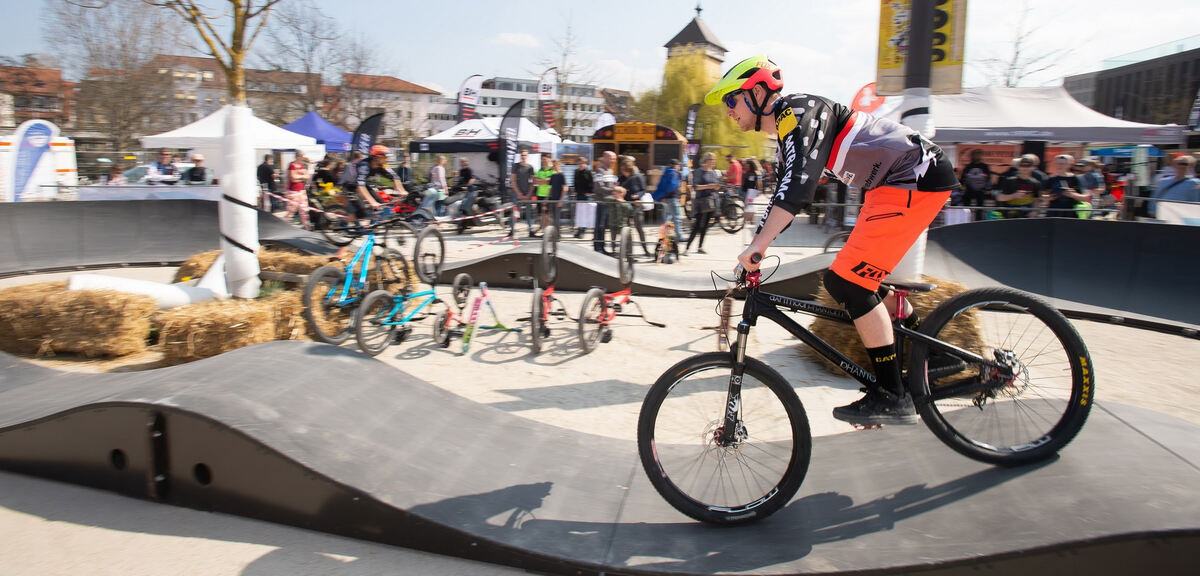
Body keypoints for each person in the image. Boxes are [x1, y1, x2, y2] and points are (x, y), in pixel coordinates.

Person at [711, 55, 959, 426]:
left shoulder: (796, 112)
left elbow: (799, 187)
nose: (728, 110)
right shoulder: (786, 130)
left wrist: (758, 247)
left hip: (913, 178)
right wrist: (758, 245)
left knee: (846, 282)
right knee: (858, 280)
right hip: (890, 185)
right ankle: (934, 353)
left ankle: (892, 395)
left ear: (759, 92)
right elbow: (783, 194)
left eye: (731, 100)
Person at [684, 152, 720, 255]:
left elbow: (715, 186)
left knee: (705, 226)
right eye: (711, 160)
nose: (712, 162)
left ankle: (700, 247)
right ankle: (687, 247)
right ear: (705, 160)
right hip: (700, 201)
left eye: (713, 160)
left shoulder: (713, 172)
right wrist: (710, 186)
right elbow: (696, 187)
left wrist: (717, 187)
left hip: (710, 201)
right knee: (697, 225)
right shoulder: (699, 172)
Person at [617, 156, 652, 256]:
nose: (623, 172)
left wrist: (638, 195)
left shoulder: (638, 177)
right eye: (622, 170)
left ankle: (645, 250)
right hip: (625, 206)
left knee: (639, 228)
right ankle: (628, 252)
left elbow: (643, 189)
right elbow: (618, 189)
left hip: (636, 205)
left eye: (625, 170)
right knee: (626, 230)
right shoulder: (620, 178)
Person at [1043, 154, 1089, 218]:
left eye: (1063, 164)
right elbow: (1043, 196)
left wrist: (1072, 194)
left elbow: (1086, 197)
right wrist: (1048, 197)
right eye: (1058, 163)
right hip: (1053, 213)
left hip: (1071, 213)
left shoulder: (1076, 178)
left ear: (1069, 165)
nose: (1060, 166)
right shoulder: (1051, 179)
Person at [653, 158, 685, 247]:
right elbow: (673, 185)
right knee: (677, 217)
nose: (679, 168)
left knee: (666, 218)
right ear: (676, 166)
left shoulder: (665, 172)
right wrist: (668, 193)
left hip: (665, 199)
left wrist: (662, 196)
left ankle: (665, 236)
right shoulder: (674, 173)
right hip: (672, 198)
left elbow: (660, 185)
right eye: (679, 166)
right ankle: (679, 236)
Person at [591, 151, 618, 253]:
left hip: (609, 203)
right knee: (600, 225)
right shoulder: (599, 171)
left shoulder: (610, 171)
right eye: (611, 158)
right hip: (601, 202)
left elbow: (611, 185)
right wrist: (613, 191)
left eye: (614, 159)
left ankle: (602, 247)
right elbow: (598, 187)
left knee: (604, 226)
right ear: (605, 158)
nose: (613, 161)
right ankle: (598, 247)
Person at [509, 149, 537, 237]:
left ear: (527, 156)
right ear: (520, 156)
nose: (523, 157)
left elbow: (533, 182)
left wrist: (529, 194)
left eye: (525, 155)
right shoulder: (516, 166)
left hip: (527, 194)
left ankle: (530, 231)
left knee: (529, 213)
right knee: (515, 213)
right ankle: (512, 231)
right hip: (517, 194)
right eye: (522, 155)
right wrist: (518, 194)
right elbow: (512, 181)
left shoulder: (530, 167)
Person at [603, 185, 635, 254]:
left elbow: (631, 213)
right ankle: (614, 252)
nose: (614, 194)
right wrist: (616, 199)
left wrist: (623, 202)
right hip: (612, 224)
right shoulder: (612, 200)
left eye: (616, 192)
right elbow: (605, 198)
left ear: (621, 194)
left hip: (622, 225)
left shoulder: (626, 204)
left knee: (625, 240)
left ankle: (628, 254)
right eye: (613, 192)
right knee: (613, 240)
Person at [285, 151, 311, 227]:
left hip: (301, 190)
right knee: (291, 210)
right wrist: (302, 177)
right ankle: (284, 224)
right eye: (301, 156)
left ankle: (307, 226)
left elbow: (307, 176)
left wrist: (298, 177)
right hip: (293, 191)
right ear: (298, 156)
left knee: (304, 209)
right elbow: (293, 178)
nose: (303, 158)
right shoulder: (291, 165)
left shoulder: (302, 165)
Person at [572, 156, 593, 238]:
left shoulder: (588, 172)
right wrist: (575, 190)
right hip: (578, 194)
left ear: (585, 164)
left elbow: (591, 183)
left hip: (586, 195)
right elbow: (575, 182)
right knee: (579, 213)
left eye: (582, 163)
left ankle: (582, 231)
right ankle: (579, 230)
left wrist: (590, 192)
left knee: (585, 213)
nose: (580, 165)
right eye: (579, 163)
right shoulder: (576, 172)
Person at [534, 154, 556, 235]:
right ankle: (544, 231)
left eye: (545, 159)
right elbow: (535, 181)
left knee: (547, 215)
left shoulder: (552, 171)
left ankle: (548, 232)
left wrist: (541, 181)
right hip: (539, 195)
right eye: (542, 159)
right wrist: (544, 181)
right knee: (542, 214)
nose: (543, 161)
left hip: (548, 195)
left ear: (549, 160)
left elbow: (550, 181)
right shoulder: (539, 170)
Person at [548, 158, 567, 230]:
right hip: (552, 199)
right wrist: (547, 198)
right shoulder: (553, 176)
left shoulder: (562, 175)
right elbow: (550, 188)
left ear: (559, 165)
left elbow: (565, 188)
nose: (554, 166)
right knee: (553, 219)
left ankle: (557, 235)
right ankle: (554, 234)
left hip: (558, 200)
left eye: (556, 165)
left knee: (557, 219)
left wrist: (561, 200)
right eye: (553, 165)